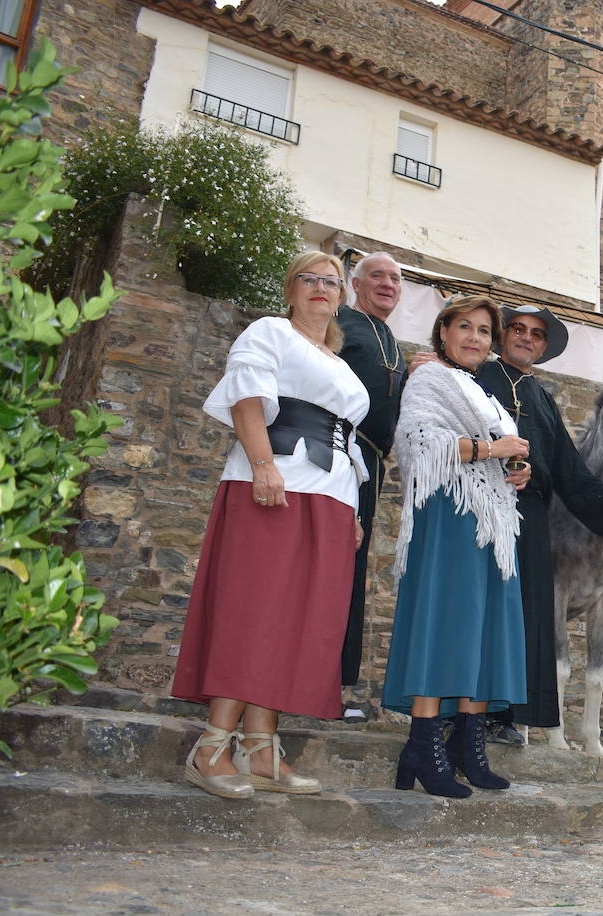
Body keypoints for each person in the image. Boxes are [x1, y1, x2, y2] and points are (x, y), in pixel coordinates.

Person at [172, 251, 369, 799]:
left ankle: (261, 749)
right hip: (275, 482)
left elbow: (347, 442)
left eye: (331, 282)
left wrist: (351, 509)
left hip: (330, 496)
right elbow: (247, 399)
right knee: (253, 610)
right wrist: (262, 465)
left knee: (297, 619)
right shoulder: (270, 333)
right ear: (291, 288)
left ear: (341, 298)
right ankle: (212, 745)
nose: (321, 288)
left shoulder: (342, 366)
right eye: (309, 279)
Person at [382, 295, 532, 798]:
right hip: (449, 514)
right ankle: (424, 743)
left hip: (491, 520)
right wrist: (493, 449)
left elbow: (491, 454)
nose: (474, 337)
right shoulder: (429, 379)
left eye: (484, 331)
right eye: (464, 327)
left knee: (482, 628)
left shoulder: (484, 392)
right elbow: (418, 445)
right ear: (443, 332)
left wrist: (515, 472)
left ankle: (468, 746)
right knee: (446, 621)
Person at [476, 304, 603, 746]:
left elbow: (569, 470)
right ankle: (460, 713)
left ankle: (505, 718)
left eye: (536, 334)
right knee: (477, 611)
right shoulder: (474, 380)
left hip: (529, 518)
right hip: (474, 508)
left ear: (544, 347)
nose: (526, 338)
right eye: (518, 329)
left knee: (520, 616)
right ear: (502, 335)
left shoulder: (543, 398)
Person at [335, 252, 407, 719]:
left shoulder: (393, 341)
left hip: (373, 464)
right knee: (331, 564)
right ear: (355, 284)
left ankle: (334, 685)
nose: (387, 284)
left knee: (352, 572)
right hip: (337, 453)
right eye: (377, 276)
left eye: (396, 279)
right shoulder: (338, 322)